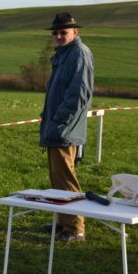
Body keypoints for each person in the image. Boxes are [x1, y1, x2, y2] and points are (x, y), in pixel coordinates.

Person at [39, 12, 94, 243]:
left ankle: (75, 228)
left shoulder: (79, 53)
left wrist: (59, 120)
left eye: (64, 32)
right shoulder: (64, 54)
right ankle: (63, 221)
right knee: (57, 178)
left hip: (65, 129)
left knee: (65, 178)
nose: (59, 36)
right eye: (56, 33)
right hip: (57, 127)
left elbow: (79, 94)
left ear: (75, 32)